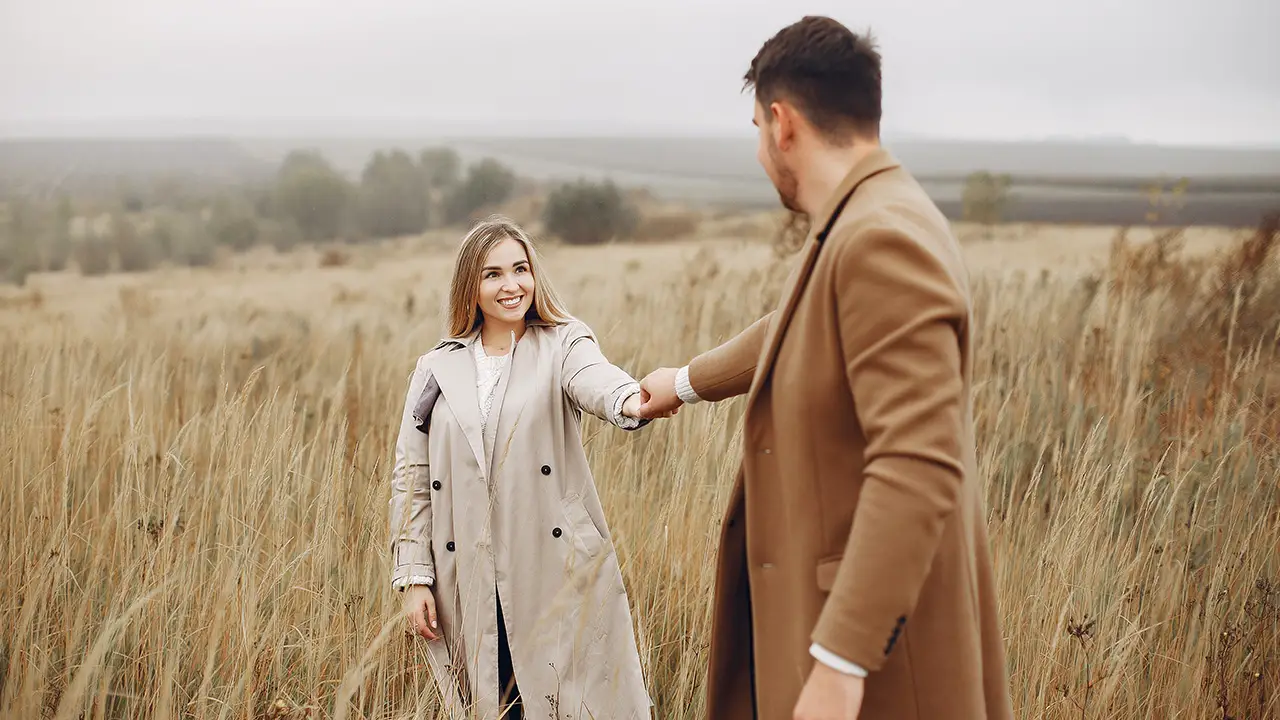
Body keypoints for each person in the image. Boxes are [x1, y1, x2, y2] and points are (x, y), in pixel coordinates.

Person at [636, 16, 1014, 720]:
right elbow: (793, 324)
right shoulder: (872, 214)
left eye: (756, 127)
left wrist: (841, 663)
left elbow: (919, 464)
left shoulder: (878, 239)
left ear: (783, 124)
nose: (758, 150)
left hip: (882, 671)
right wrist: (685, 384)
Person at [388, 215, 663, 720]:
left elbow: (596, 379)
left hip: (552, 570)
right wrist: (414, 578)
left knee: (572, 703)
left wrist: (632, 399)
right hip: (468, 577)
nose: (511, 285)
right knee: (496, 706)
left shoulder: (561, 343)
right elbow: (411, 478)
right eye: (493, 274)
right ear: (470, 285)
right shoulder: (435, 368)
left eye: (520, 269)